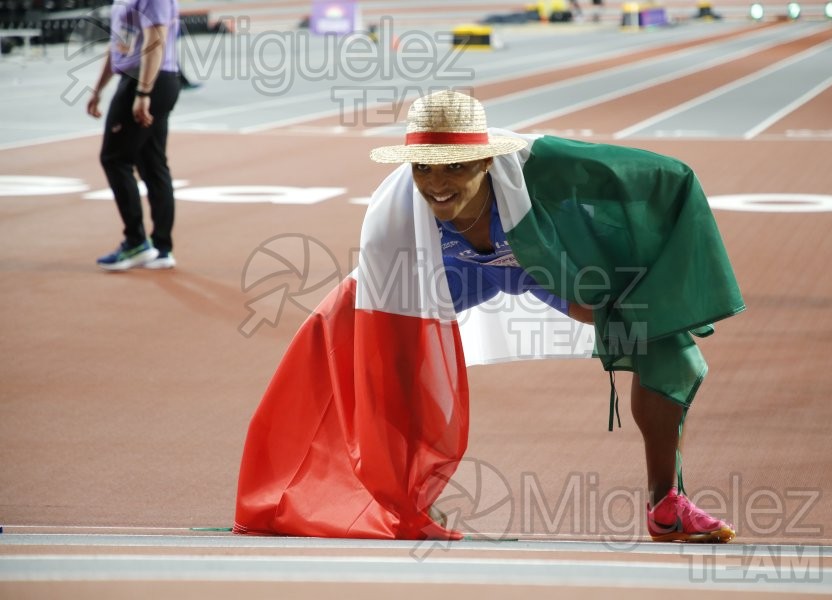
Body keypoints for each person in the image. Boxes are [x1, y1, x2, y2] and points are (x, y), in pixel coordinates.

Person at [233, 90, 745, 543]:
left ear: (486, 161)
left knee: (670, 352)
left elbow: (667, 180)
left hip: (539, 262)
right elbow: (383, 338)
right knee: (335, 339)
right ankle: (381, 499)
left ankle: (666, 505)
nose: (437, 184)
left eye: (456, 166)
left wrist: (663, 290)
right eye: (424, 167)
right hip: (449, 270)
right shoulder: (393, 217)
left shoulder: (547, 166)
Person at [88, 0, 181, 271]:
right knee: (152, 164)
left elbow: (156, 38)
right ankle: (161, 248)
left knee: (114, 159)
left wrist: (143, 93)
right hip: (139, 78)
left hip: (147, 79)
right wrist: (98, 88)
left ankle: (136, 242)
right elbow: (119, 43)